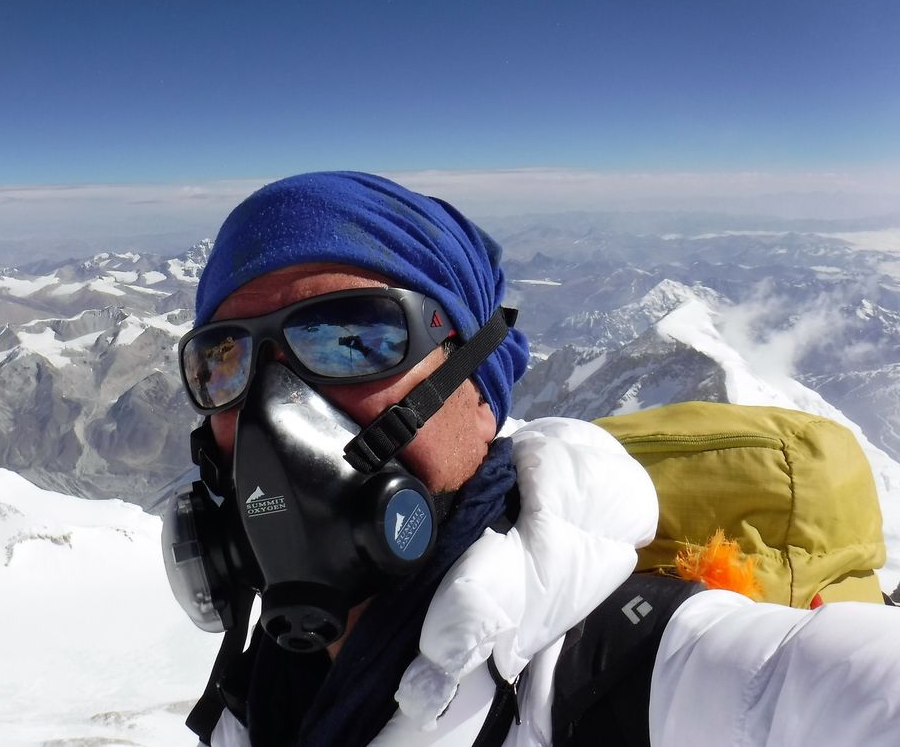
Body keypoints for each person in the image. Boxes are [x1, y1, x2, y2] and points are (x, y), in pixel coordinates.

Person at [161, 171, 900, 747]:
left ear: (478, 389)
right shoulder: (257, 695)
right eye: (225, 359)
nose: (271, 409)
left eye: (354, 336)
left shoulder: (643, 681)